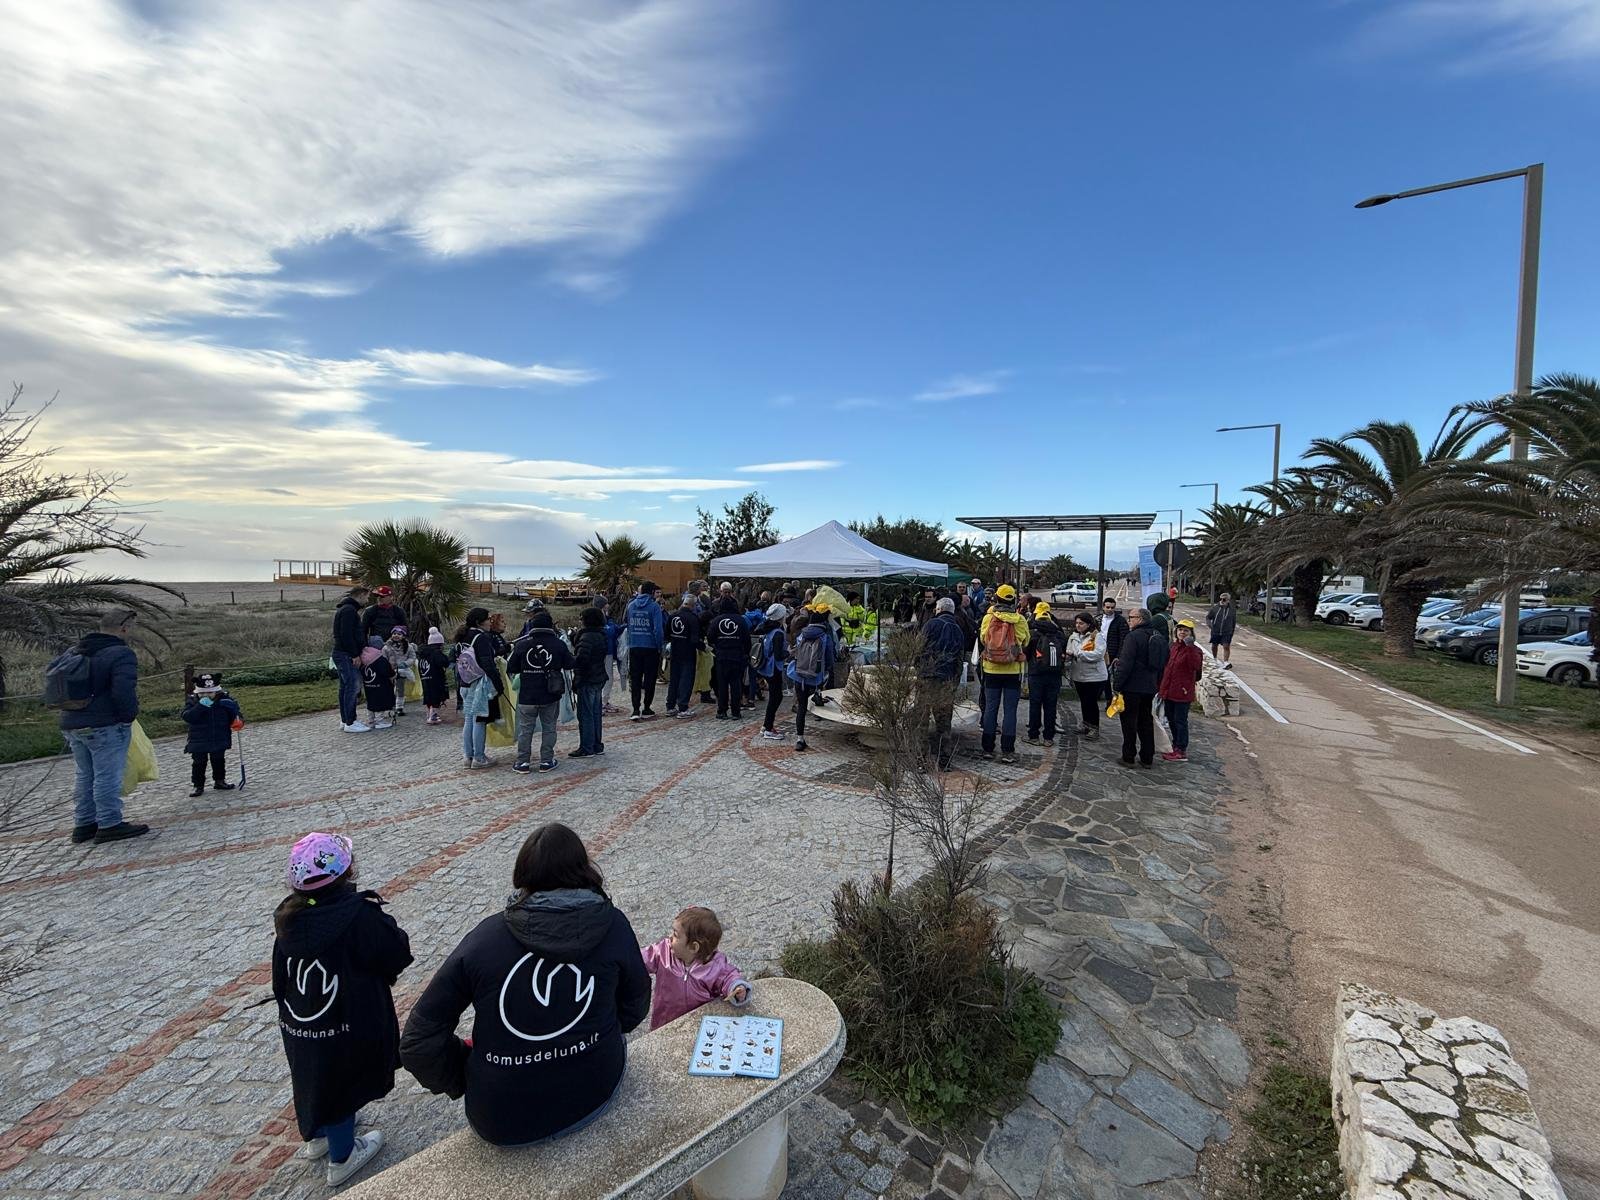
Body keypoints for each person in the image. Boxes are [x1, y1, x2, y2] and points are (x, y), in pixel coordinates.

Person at [400, 823, 650, 1147]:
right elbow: (636, 1005)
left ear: (522, 874)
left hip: (502, 1118)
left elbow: (419, 1042)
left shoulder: (484, 941)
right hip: (596, 1086)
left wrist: (468, 1074)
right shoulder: (613, 925)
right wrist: (597, 1033)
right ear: (584, 870)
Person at [273, 832, 412, 1188]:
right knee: (344, 1080)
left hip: (302, 1021)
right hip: (350, 1019)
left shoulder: (288, 922)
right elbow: (394, 952)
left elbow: (279, 979)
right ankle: (343, 1154)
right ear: (348, 871)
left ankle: (317, 1134)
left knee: (313, 1075)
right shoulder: (359, 916)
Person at [57, 608, 148, 844]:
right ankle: (109, 823)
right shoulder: (120, 653)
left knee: (85, 774)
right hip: (105, 724)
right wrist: (128, 716)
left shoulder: (75, 650)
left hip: (72, 721)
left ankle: (84, 823)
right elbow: (123, 690)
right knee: (107, 775)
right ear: (124, 628)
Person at [641, 906, 752, 1030]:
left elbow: (728, 977)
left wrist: (737, 988)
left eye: (676, 935)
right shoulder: (663, 952)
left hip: (697, 1026)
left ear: (693, 947)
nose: (670, 937)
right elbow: (640, 959)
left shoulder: (714, 965)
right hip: (665, 1021)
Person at [506, 608, 575, 773]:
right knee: (549, 727)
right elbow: (570, 664)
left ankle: (523, 762)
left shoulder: (522, 645)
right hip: (550, 694)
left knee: (525, 729)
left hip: (527, 695)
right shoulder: (558, 644)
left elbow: (511, 667)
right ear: (550, 626)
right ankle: (546, 760)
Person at [978, 584, 1031, 763]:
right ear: (1013, 600)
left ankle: (987, 748)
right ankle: (1008, 750)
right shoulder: (1020, 619)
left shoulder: (988, 618)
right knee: (1010, 711)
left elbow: (983, 638)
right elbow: (1026, 640)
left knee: (991, 708)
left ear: (996, 599)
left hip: (991, 669)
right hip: (1013, 670)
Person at [1112, 607, 1169, 769]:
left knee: (1129, 722)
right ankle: (1147, 757)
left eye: (1131, 617)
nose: (1129, 620)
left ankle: (1128, 756)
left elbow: (1126, 663)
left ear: (1141, 619)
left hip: (1132, 686)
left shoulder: (1133, 637)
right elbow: (1164, 663)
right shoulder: (1158, 636)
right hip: (1150, 686)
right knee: (1146, 721)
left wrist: (1117, 684)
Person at [455, 608, 506, 768]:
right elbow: (487, 663)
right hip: (479, 684)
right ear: (479, 622)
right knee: (480, 720)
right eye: (487, 619)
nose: (490, 622)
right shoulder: (481, 638)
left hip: (464, 682)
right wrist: (499, 684)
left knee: (469, 719)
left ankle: (467, 756)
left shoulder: (463, 636)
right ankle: (479, 757)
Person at [919, 596, 966, 770]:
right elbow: (959, 661)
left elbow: (918, 648)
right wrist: (954, 683)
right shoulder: (958, 629)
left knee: (922, 722)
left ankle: (921, 762)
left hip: (927, 679)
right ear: (952, 611)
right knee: (944, 724)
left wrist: (920, 671)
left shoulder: (930, 625)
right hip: (947, 682)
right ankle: (944, 762)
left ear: (938, 610)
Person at [181, 673, 241, 798]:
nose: (206, 696)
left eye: (210, 693)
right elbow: (188, 717)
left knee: (218, 759)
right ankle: (198, 785)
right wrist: (200, 706)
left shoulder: (224, 701)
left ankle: (219, 780)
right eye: (202, 693)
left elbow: (235, 713)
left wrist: (238, 720)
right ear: (198, 693)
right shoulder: (193, 701)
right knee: (199, 762)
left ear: (216, 692)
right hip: (198, 738)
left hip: (219, 735)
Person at [788, 604, 836, 752]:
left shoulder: (802, 634)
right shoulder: (825, 636)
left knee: (801, 707)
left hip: (799, 675)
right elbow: (830, 660)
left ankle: (800, 739)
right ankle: (817, 699)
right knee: (816, 691)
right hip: (815, 677)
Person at [1160, 618, 1204, 763]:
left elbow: (1195, 667)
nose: (1182, 633)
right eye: (1180, 630)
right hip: (1169, 690)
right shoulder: (1173, 647)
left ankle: (1181, 748)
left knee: (1180, 721)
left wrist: (1190, 647)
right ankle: (1176, 743)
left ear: (1191, 633)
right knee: (1171, 719)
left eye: (1186, 630)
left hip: (1182, 691)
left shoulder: (1195, 650)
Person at [1025, 602, 1067, 747]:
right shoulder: (1059, 635)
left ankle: (1034, 736)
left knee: (1035, 705)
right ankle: (1048, 738)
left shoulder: (1033, 634)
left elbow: (1026, 653)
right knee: (1051, 706)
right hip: (1054, 675)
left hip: (1036, 674)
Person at [332, 585, 371, 733]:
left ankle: (345, 719)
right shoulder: (349, 611)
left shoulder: (346, 609)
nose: (367, 600)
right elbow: (346, 635)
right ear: (360, 595)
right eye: (366, 597)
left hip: (342, 652)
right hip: (345, 654)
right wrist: (354, 654)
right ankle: (350, 721)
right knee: (352, 686)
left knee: (345, 687)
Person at [624, 581, 665, 720]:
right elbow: (658, 630)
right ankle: (647, 707)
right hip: (650, 647)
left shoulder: (630, 606)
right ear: (652, 592)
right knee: (650, 679)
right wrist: (660, 646)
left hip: (634, 646)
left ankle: (635, 709)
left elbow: (628, 625)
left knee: (635, 678)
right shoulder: (654, 607)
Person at [572, 607, 609, 757]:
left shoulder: (586, 637)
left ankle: (586, 747)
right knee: (595, 713)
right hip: (598, 677)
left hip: (587, 679)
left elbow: (582, 659)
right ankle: (596, 744)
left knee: (585, 714)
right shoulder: (601, 635)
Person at [1066, 612, 1107, 740]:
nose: (1078, 625)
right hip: (1079, 675)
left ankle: (1094, 728)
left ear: (1088, 624)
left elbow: (1098, 654)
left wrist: (1078, 654)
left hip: (1094, 676)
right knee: (1084, 702)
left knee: (1091, 703)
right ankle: (1086, 724)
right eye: (1077, 623)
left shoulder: (1096, 636)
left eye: (1081, 623)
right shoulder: (1073, 637)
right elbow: (1069, 651)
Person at [709, 597, 751, 720]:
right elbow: (747, 640)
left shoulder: (717, 620)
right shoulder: (741, 620)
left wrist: (718, 643)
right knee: (736, 684)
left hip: (721, 656)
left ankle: (722, 710)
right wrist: (745, 653)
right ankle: (736, 711)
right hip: (737, 656)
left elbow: (710, 637)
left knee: (722, 685)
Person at [754, 604, 790, 742]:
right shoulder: (778, 633)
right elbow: (779, 654)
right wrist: (789, 652)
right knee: (776, 698)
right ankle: (768, 728)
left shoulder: (768, 629)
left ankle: (766, 726)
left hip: (766, 668)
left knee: (775, 697)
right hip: (774, 668)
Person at [665, 597, 702, 718]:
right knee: (686, 680)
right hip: (687, 653)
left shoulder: (673, 616)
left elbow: (667, 634)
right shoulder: (692, 618)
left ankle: (670, 706)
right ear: (693, 605)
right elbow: (695, 639)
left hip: (675, 651)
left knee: (674, 679)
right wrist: (704, 647)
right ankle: (683, 707)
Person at [1098, 597, 1129, 707]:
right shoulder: (1098, 619)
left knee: (1110, 677)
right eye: (1108, 607)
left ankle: (1111, 699)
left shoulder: (1120, 621)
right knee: (1102, 676)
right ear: (1103, 607)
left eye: (1112, 607)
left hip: (1112, 653)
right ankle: (1106, 697)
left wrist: (1119, 655)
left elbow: (1123, 639)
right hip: (1099, 651)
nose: (1110, 609)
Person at [360, 639, 396, 730]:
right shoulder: (380, 659)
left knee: (370, 702)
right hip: (381, 685)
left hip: (368, 685)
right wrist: (393, 675)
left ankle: (371, 719)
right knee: (381, 701)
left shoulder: (363, 657)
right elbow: (387, 671)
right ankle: (380, 721)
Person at [383, 627, 417, 717]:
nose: (396, 635)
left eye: (399, 634)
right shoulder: (386, 647)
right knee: (389, 689)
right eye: (394, 633)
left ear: (403, 636)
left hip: (403, 670)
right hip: (390, 671)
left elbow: (412, 657)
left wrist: (406, 663)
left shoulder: (408, 647)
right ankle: (389, 707)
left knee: (400, 689)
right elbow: (383, 658)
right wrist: (387, 667)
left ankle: (399, 707)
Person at [419, 628, 450, 725]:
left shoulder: (422, 655)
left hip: (425, 678)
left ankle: (429, 714)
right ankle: (433, 716)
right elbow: (444, 662)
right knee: (436, 697)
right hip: (436, 679)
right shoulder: (436, 654)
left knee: (428, 697)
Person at [1206, 592, 1237, 665]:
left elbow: (1234, 621)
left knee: (1226, 646)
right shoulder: (1215, 608)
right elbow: (1208, 617)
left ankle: (1226, 661)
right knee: (1214, 646)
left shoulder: (1232, 609)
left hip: (1227, 631)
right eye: (1222, 599)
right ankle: (1215, 658)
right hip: (1216, 631)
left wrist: (1232, 631)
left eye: (1225, 599)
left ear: (1228, 600)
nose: (1223, 601)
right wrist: (1210, 625)